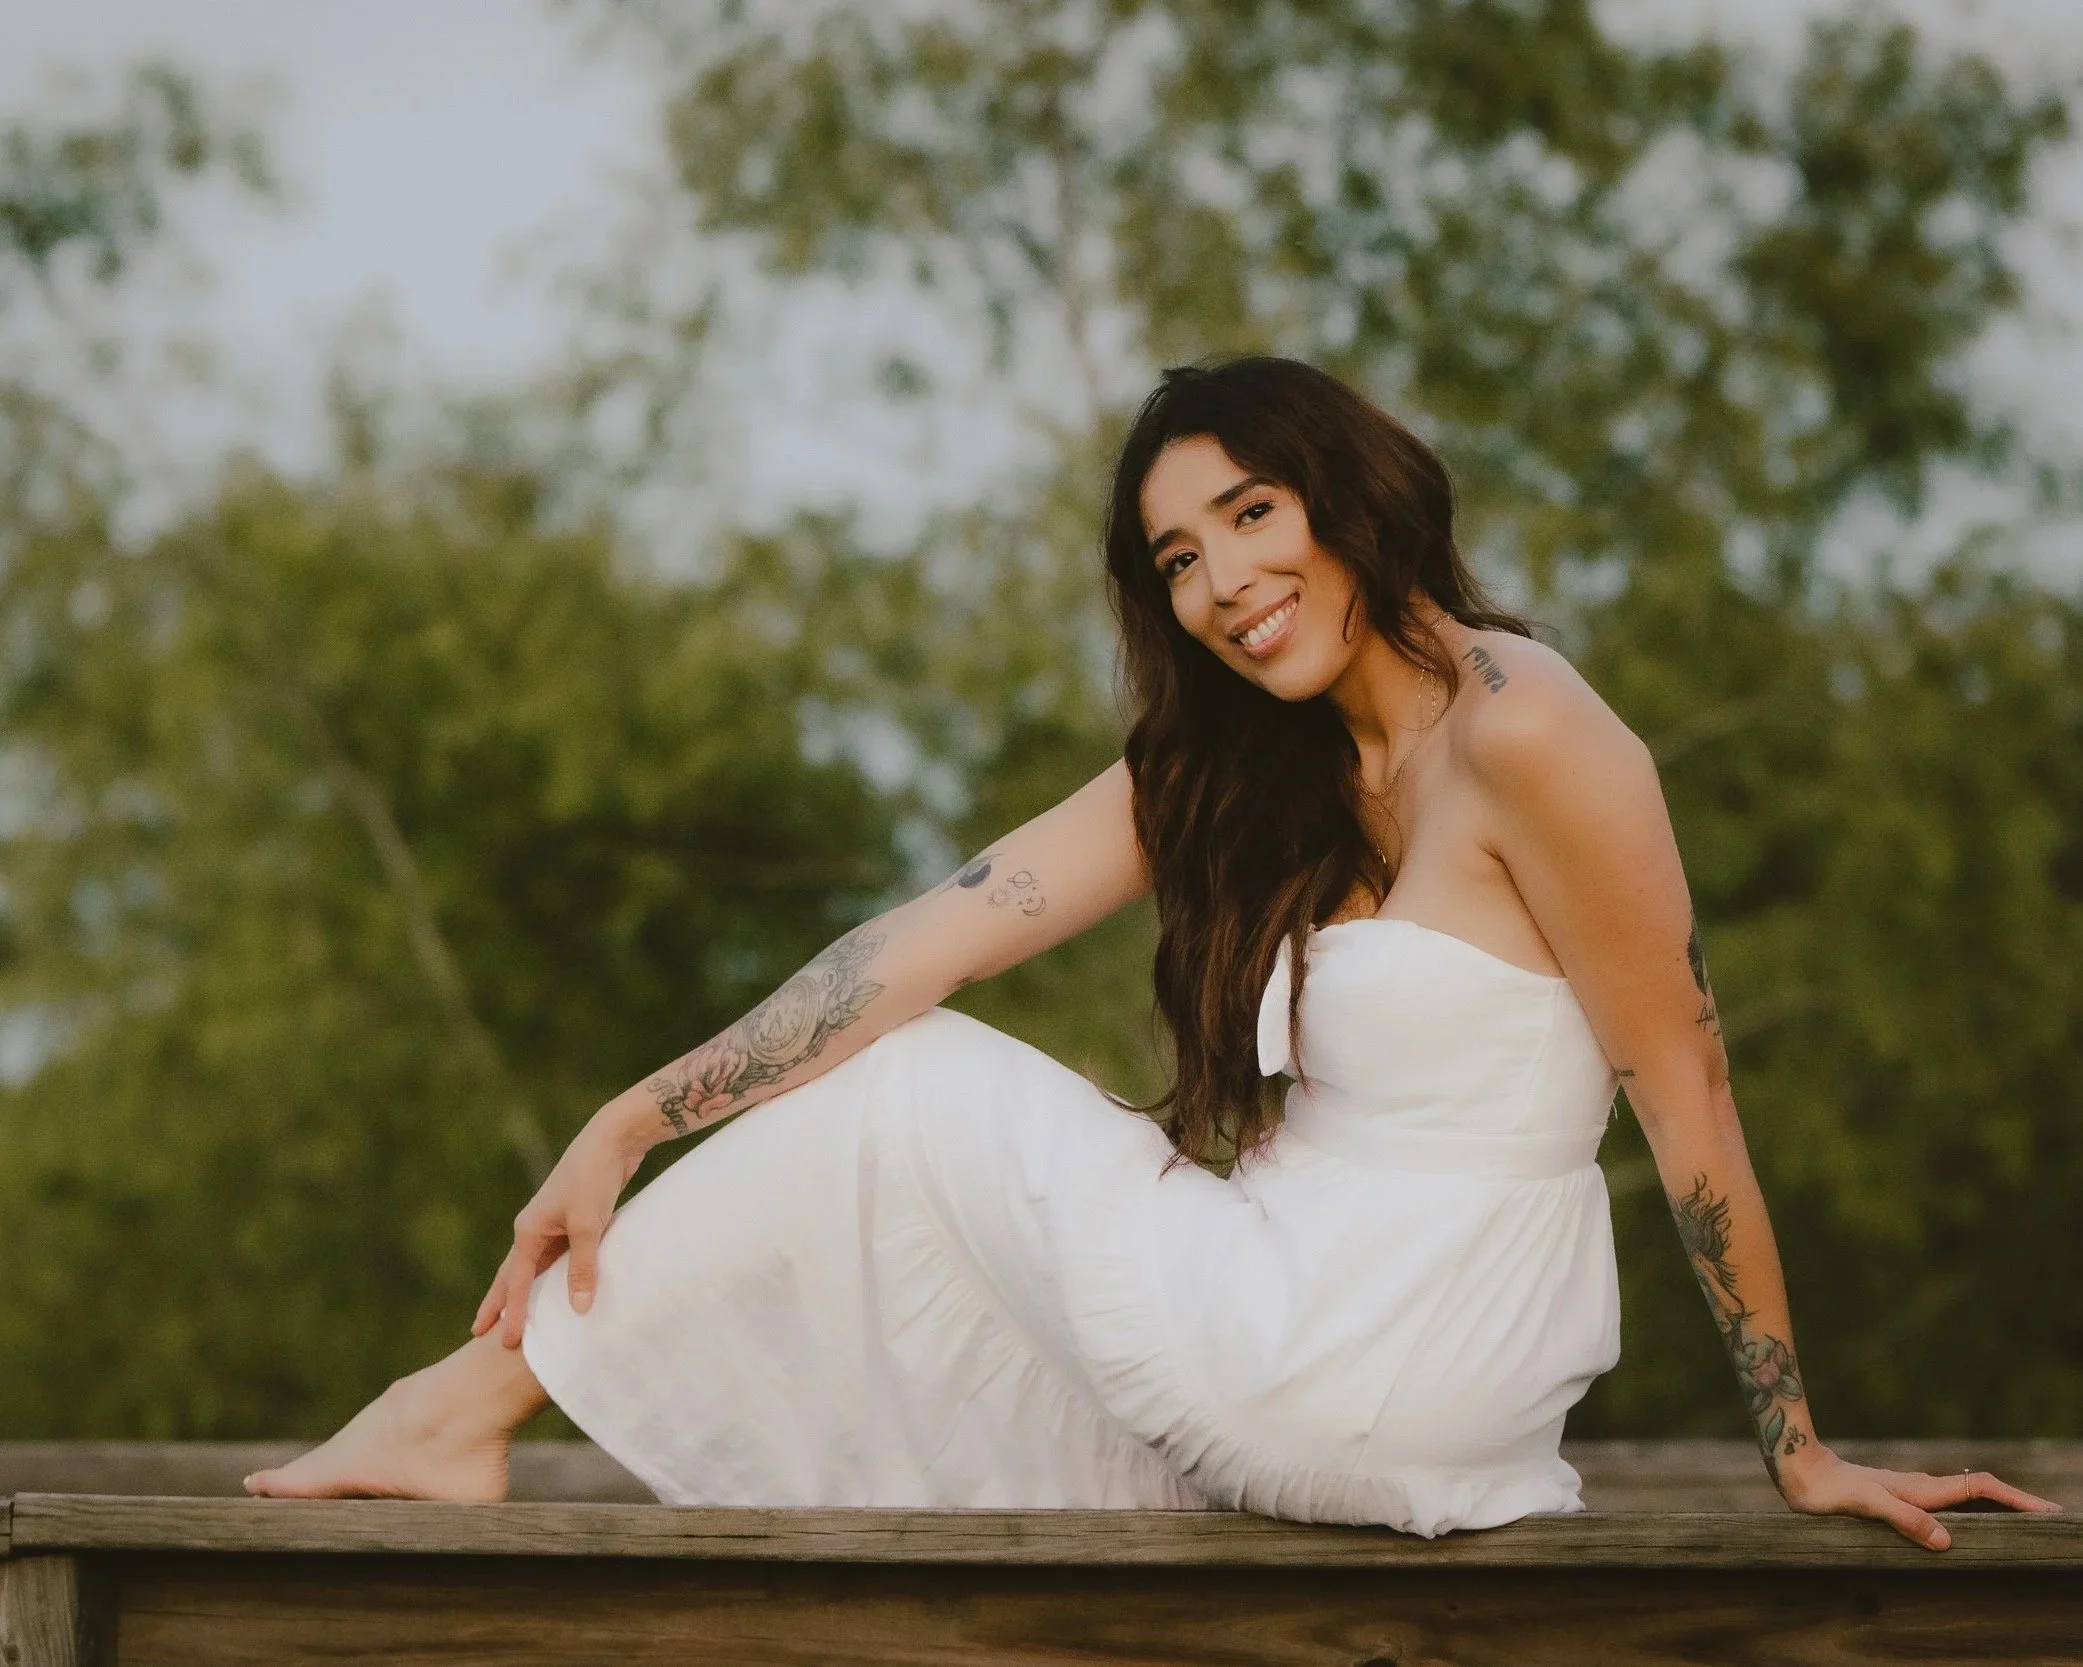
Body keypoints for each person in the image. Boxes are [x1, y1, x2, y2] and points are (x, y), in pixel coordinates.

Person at [247, 356, 2060, 1549]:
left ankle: (455, 1407)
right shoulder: (1240, 763)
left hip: (1365, 1344)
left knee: (910, 1089)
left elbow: (1687, 1092)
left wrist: (1798, 1446)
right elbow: (929, 932)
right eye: (1177, 559)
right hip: (1375, 1380)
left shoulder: (1530, 729)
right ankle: (461, 1410)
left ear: (1349, 491)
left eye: (1251, 515)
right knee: (904, 1078)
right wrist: (628, 1115)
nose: (1222, 583)